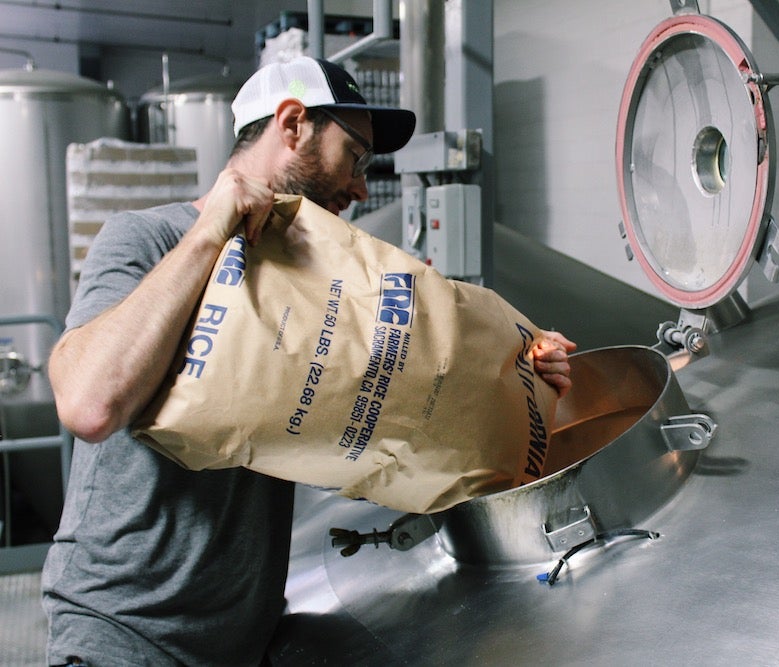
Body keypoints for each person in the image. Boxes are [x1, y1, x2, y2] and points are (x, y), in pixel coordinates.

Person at [41, 56, 576, 666]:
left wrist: (512, 371)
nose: (360, 188)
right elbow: (87, 402)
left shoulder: (329, 283)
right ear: (292, 125)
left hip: (243, 643)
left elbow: (399, 433)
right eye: (354, 157)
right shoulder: (148, 239)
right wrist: (210, 234)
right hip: (123, 638)